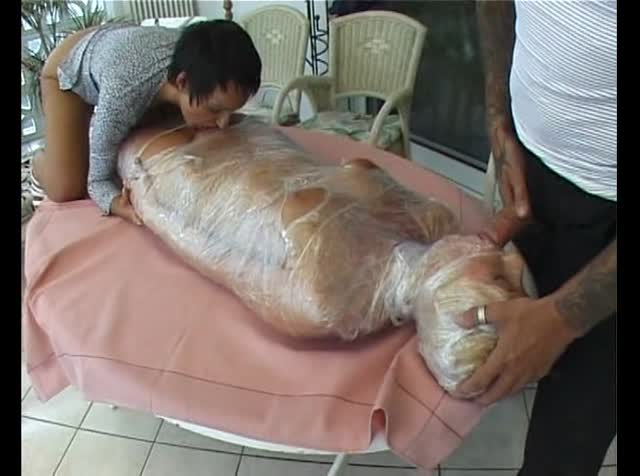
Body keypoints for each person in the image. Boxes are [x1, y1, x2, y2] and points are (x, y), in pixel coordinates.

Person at [454, 2, 616, 475]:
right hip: (531, 174)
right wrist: (498, 114)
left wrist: (563, 317)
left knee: (561, 453)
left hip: (608, 226)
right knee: (476, 360)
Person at [30, 19, 262, 224]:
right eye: (215, 110)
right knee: (67, 186)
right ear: (182, 82)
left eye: (230, 111)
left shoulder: (203, 59)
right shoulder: (123, 93)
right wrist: (115, 203)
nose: (223, 123)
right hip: (70, 63)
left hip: (121, 41)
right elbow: (97, 181)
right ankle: (37, 162)